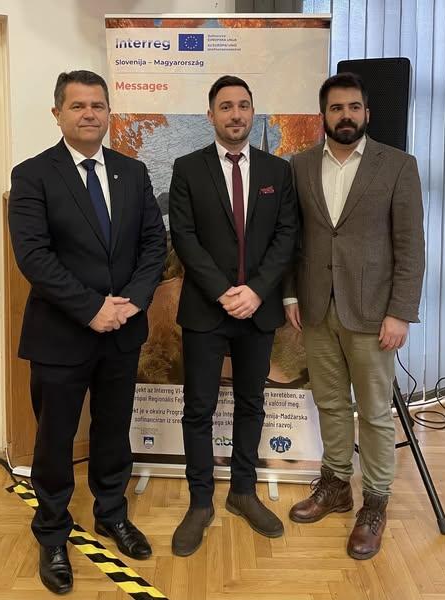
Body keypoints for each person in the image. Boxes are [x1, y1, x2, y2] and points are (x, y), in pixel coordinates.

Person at [8, 70, 166, 594]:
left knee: (113, 430)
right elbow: (34, 256)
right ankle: (52, 532)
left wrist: (131, 303)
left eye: (98, 105)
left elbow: (153, 244)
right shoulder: (32, 175)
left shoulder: (132, 172)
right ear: (57, 114)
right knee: (55, 440)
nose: (89, 114)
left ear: (108, 113)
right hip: (61, 335)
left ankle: (111, 513)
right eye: (77, 106)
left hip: (121, 332)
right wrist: (91, 308)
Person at [285, 72, 425, 560]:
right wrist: (290, 296)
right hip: (316, 308)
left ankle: (376, 502)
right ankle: (336, 485)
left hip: (373, 313)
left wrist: (400, 312)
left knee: (375, 413)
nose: (345, 115)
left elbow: (410, 245)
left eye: (354, 107)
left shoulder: (398, 165)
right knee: (330, 404)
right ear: (323, 115)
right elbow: (292, 238)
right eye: (336, 108)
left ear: (367, 112)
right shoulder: (300, 165)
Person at [169, 75, 297, 556]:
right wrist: (225, 292)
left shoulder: (277, 171)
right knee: (198, 409)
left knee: (251, 404)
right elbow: (184, 237)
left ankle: (243, 491)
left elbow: (286, 235)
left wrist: (256, 291)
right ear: (211, 115)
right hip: (206, 310)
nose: (236, 114)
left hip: (257, 311)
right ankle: (200, 502)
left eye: (243, 105)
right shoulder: (187, 168)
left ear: (252, 111)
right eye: (226, 106)